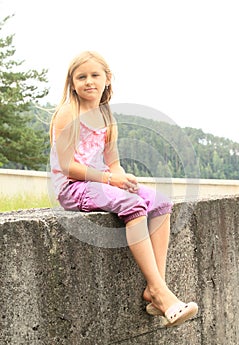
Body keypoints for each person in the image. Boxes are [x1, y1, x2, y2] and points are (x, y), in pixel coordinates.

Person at [49, 50, 198, 327]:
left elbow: (113, 163)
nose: (89, 81)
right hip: (73, 187)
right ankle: (161, 294)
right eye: (81, 77)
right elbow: (68, 166)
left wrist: (123, 178)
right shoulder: (68, 113)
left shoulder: (105, 116)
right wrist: (110, 180)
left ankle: (156, 288)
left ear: (107, 80)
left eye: (95, 75)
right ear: (72, 83)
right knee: (133, 206)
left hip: (101, 182)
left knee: (161, 203)